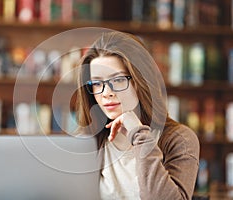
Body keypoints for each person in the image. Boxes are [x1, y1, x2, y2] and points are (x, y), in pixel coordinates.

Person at [75, 31, 200, 200]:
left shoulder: (179, 139)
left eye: (118, 80)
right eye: (97, 83)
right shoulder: (88, 140)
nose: (106, 93)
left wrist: (139, 135)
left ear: (141, 80)